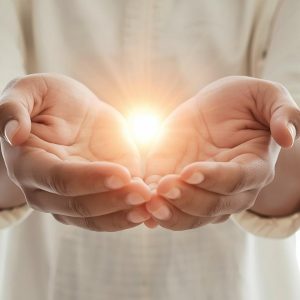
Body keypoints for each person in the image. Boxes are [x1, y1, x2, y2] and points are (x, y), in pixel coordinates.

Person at [0, 1, 299, 299]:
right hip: (51, 282)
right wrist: (15, 141)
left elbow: (289, 147)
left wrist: (268, 152)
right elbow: (9, 128)